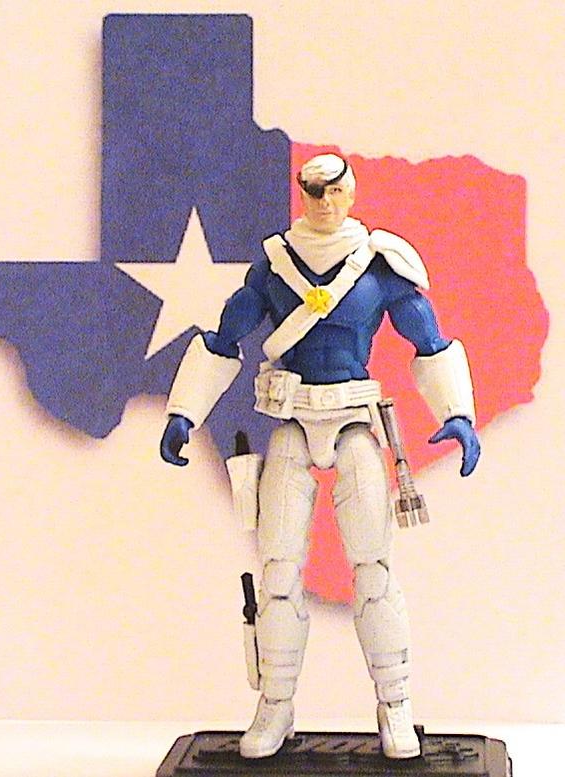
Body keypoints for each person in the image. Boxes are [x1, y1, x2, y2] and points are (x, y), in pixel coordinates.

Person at [160, 154, 480, 760]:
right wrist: (186, 411)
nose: (326, 203)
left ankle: (396, 705)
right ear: (302, 195)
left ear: (351, 193)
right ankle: (275, 706)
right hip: (292, 422)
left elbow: (428, 339)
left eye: (335, 192)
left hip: (354, 422)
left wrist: (457, 412)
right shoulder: (275, 266)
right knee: (279, 573)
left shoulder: (379, 265)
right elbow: (226, 338)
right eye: (314, 193)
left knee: (374, 572)